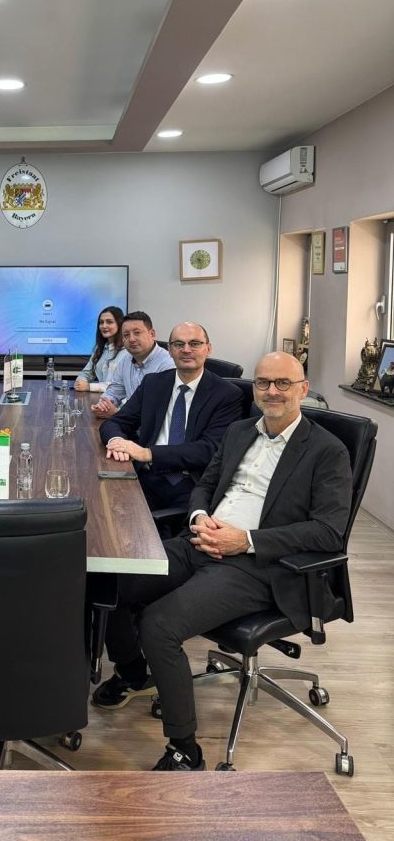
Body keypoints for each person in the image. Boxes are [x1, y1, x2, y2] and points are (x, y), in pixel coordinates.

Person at [92, 351, 352, 772]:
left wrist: (244, 540)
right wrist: (199, 517)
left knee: (159, 624)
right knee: (111, 580)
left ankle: (185, 751)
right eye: (263, 382)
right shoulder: (239, 431)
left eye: (283, 383)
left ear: (303, 389)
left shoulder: (327, 450)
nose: (272, 391)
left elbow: (328, 532)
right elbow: (206, 484)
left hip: (259, 565)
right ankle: (133, 673)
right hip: (201, 540)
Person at [99, 322, 243, 511]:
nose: (186, 350)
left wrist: (148, 453)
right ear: (169, 350)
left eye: (195, 343)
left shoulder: (227, 394)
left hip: (190, 483)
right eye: (179, 344)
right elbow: (116, 422)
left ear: (208, 349)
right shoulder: (153, 383)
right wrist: (117, 441)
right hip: (145, 474)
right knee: (104, 508)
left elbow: (209, 449)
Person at [91, 310, 174, 419]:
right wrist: (103, 405)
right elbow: (114, 391)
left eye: (137, 333)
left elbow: (156, 413)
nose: (131, 339)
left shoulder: (168, 365)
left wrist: (117, 414)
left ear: (152, 334)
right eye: (126, 335)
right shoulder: (126, 360)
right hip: (129, 422)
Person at [74, 306, 124, 391]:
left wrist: (89, 387)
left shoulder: (127, 351)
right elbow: (86, 373)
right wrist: (80, 382)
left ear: (120, 324)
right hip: (101, 398)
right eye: (101, 322)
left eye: (109, 322)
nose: (104, 326)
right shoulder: (99, 348)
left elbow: (119, 385)